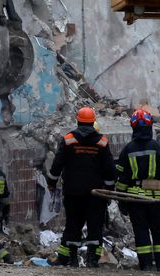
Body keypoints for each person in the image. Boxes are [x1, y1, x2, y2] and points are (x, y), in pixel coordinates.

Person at [45, 106, 116, 267]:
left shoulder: (69, 139)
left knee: (73, 224)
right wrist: (109, 190)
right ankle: (92, 260)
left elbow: (57, 164)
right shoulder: (102, 142)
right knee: (95, 226)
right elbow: (110, 169)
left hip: (73, 192)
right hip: (96, 193)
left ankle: (72, 258)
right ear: (93, 122)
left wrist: (51, 183)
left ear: (77, 120)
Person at [116, 108, 160, 271]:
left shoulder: (127, 150)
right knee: (159, 231)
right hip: (157, 200)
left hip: (135, 200)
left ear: (133, 128)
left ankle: (146, 265)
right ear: (150, 127)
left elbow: (122, 179)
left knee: (141, 232)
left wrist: (122, 201)